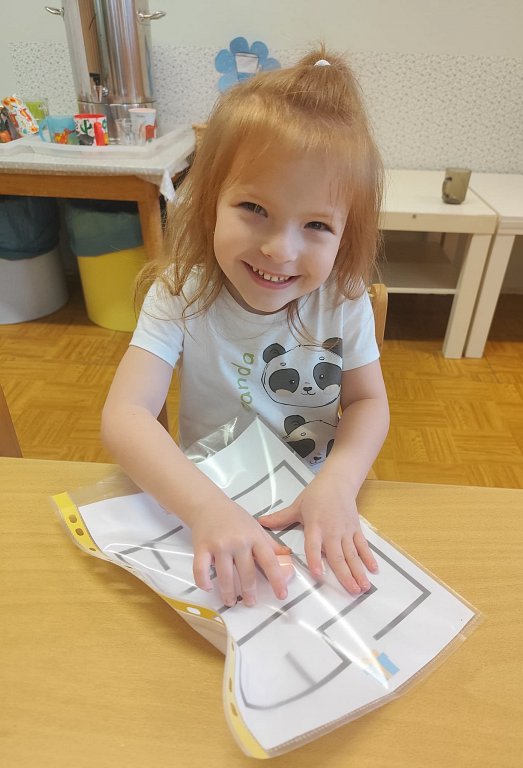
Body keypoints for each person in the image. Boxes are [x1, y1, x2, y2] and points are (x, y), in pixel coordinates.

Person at [101, 47, 390, 608]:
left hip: (314, 502)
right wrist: (206, 508)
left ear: (346, 234)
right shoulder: (180, 294)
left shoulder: (343, 301)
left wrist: (339, 482)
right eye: (254, 209)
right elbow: (126, 414)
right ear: (210, 203)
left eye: (316, 224)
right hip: (207, 497)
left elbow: (368, 402)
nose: (280, 249)